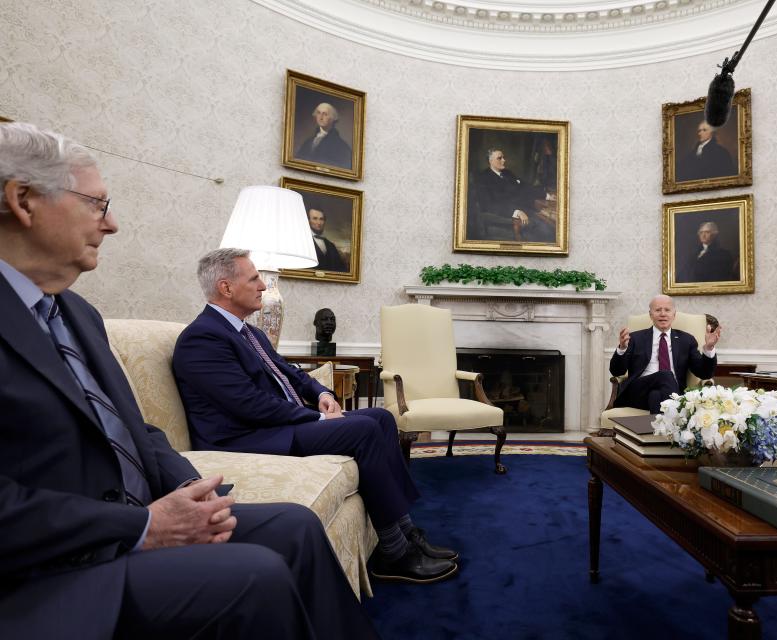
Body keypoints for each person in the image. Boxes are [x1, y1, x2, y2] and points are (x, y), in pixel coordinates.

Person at [0, 122, 378, 639]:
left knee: (295, 525)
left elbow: (138, 432)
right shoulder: (200, 338)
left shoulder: (77, 313)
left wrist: (188, 492)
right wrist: (145, 528)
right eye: (97, 205)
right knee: (256, 574)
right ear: (23, 201)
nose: (111, 226)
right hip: (53, 566)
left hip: (138, 515)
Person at [172, 248, 459, 584]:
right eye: (253, 278)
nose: (262, 285)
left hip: (273, 426)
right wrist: (319, 421)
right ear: (226, 288)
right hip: (244, 438)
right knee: (364, 430)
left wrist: (322, 394)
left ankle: (407, 533)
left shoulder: (250, 333)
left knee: (381, 419)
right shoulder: (202, 338)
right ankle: (394, 553)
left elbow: (292, 374)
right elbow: (247, 405)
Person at [610, 295, 721, 414]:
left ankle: (657, 430)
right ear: (650, 314)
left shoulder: (686, 340)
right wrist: (622, 349)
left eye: (667, 310)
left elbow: (704, 373)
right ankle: (677, 410)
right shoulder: (635, 338)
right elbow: (617, 371)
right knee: (666, 375)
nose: (663, 314)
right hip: (638, 392)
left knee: (656, 396)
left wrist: (709, 348)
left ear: (674, 315)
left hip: (666, 393)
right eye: (658, 310)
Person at [474, 148, 554, 242]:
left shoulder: (507, 173)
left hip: (527, 210)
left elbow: (524, 187)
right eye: (500, 158)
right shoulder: (483, 179)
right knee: (546, 230)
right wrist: (516, 212)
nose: (504, 160)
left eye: (503, 157)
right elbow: (488, 205)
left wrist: (546, 195)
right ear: (490, 161)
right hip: (509, 217)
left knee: (550, 222)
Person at [296, 102, 352, 169]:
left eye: (325, 114)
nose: (321, 117)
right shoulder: (308, 142)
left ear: (332, 118)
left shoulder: (341, 145)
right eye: (318, 113)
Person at [307, 207, 347, 272]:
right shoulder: (303, 242)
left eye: (321, 219)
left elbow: (342, 269)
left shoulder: (331, 246)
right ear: (308, 220)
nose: (319, 222)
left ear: (324, 221)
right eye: (315, 218)